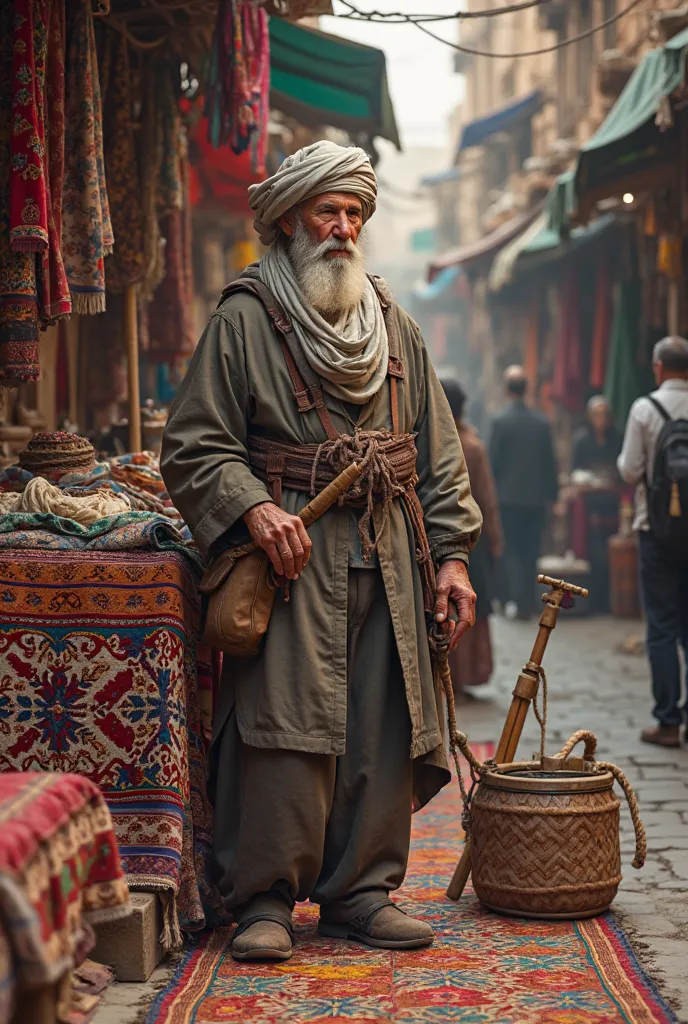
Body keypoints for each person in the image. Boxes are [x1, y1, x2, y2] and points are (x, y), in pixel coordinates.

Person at [161, 141, 482, 961]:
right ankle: (264, 898)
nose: (342, 228)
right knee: (282, 726)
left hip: (389, 558)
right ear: (289, 221)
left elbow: (437, 456)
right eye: (326, 212)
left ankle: (360, 894)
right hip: (290, 565)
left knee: (382, 724)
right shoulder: (243, 319)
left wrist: (451, 557)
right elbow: (197, 445)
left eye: (353, 214)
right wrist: (256, 509)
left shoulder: (396, 327)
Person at [617, 335, 688, 748]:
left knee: (661, 626)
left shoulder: (646, 408)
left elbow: (629, 471)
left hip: (656, 529)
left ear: (659, 368)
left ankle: (667, 722)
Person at [439, 374, 502, 694]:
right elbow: (486, 499)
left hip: (434, 537)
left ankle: (444, 677)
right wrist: (495, 537)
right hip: (470, 540)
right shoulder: (473, 446)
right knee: (467, 607)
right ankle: (463, 678)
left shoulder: (429, 441)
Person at [489, 365, 559, 620]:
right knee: (531, 550)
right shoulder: (541, 423)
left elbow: (493, 463)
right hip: (535, 499)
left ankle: (512, 599)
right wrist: (554, 496)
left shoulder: (499, 422)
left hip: (507, 499)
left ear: (507, 389)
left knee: (511, 550)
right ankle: (527, 602)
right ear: (527, 389)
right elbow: (550, 463)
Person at [570, 395, 623, 613]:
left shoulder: (617, 439)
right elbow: (576, 470)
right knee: (591, 552)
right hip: (590, 505)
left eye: (604, 414)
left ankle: (609, 600)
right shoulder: (582, 440)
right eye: (597, 414)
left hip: (612, 503)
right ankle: (592, 600)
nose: (601, 419)